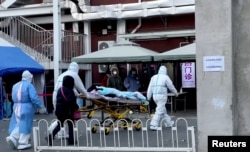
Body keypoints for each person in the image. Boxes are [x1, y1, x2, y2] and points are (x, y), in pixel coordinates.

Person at [6, 70, 46, 150]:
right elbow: (34, 98)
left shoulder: (15, 85)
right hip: (26, 108)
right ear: (29, 77)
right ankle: (23, 142)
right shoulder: (29, 85)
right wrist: (40, 106)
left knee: (18, 124)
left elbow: (13, 97)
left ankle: (13, 137)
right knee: (25, 124)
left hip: (16, 107)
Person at [49, 62, 89, 138]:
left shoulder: (62, 75)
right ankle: (69, 138)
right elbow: (81, 88)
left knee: (61, 119)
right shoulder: (74, 75)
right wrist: (88, 96)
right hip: (66, 105)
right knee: (69, 121)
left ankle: (58, 134)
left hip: (56, 97)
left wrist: (76, 94)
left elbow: (72, 88)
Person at [46, 75, 79, 146]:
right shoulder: (70, 91)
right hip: (67, 111)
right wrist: (76, 107)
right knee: (71, 124)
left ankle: (50, 136)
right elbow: (71, 102)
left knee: (60, 125)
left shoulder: (60, 89)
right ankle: (71, 140)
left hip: (59, 111)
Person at [147, 65, 178, 131]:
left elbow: (150, 88)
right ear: (165, 71)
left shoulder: (153, 77)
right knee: (159, 111)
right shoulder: (165, 77)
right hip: (162, 97)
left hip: (155, 96)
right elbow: (171, 86)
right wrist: (176, 93)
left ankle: (168, 122)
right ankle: (153, 124)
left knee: (163, 111)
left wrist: (148, 96)